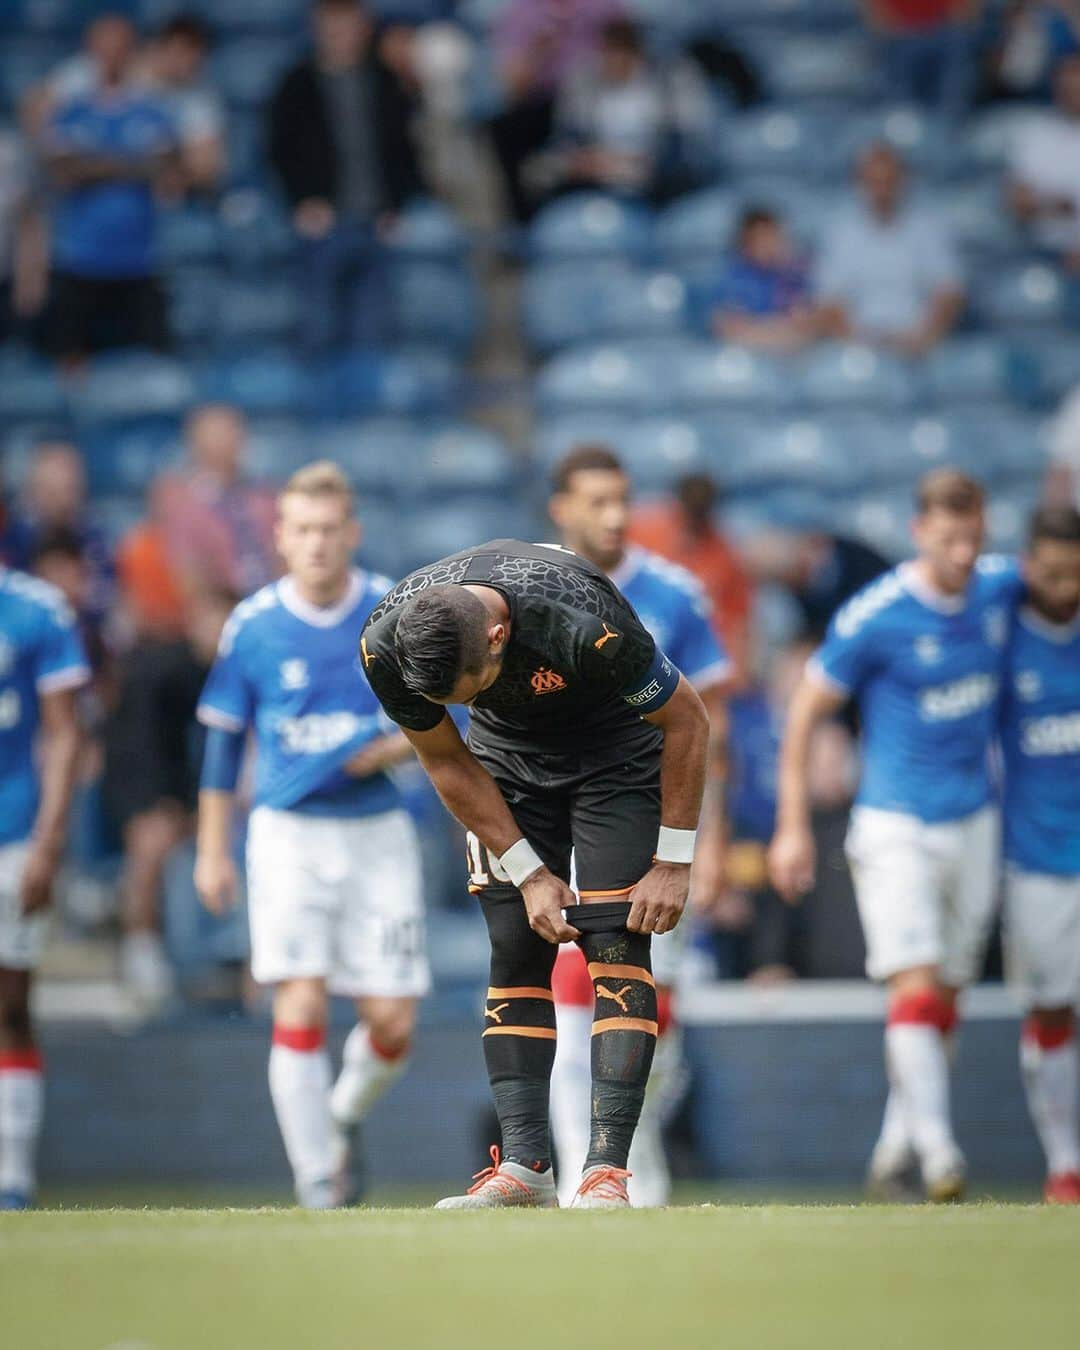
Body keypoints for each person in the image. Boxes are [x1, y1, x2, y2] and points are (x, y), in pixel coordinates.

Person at [358, 537, 710, 1210]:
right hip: (505, 765)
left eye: (474, 689)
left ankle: (606, 1174)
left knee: (617, 947)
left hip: (616, 757)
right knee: (515, 947)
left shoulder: (584, 619)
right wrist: (528, 873)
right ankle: (524, 1170)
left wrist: (673, 861)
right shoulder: (384, 647)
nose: (467, 700)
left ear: (499, 636)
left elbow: (688, 721)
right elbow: (445, 760)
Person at [769, 470, 1022, 1202]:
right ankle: (941, 1155)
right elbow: (804, 712)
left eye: (974, 539)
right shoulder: (875, 616)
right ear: (919, 534)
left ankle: (894, 1147)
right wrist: (792, 826)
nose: (963, 555)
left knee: (944, 995)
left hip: (974, 817)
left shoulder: (1000, 589)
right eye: (949, 541)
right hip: (895, 823)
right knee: (912, 984)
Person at [194, 463, 428, 1210]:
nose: (318, 544)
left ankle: (338, 1116)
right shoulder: (255, 625)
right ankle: (319, 1182)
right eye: (303, 530)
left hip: (376, 832)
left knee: (392, 1022)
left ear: (351, 533)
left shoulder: (393, 614)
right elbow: (224, 741)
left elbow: (441, 714)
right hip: (288, 835)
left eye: (330, 530)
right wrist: (210, 849)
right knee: (298, 1001)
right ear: (281, 537)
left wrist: (389, 745)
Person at [545, 445, 731, 1207]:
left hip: (659, 831)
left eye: (621, 498)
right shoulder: (531, 590)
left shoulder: (677, 596)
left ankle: (633, 1165)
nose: (614, 514)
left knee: (656, 1006)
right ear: (562, 507)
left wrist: (705, 845)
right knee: (570, 990)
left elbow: (710, 730)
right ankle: (576, 1183)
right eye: (595, 499)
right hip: (563, 821)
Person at [0, 565, 89, 1209]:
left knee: (10, 1003)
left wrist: (48, 841)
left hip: (13, 832)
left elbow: (63, 732)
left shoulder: (37, 609)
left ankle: (13, 1180)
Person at [999, 504, 1080, 1204]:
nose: (1063, 587)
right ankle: (1065, 1165)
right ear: (1029, 568)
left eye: (1073, 574)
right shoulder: (1003, 637)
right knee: (1052, 1011)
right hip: (1038, 862)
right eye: (1050, 574)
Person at [267, 0, 423, 352]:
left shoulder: (386, 83)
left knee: (374, 334)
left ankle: (367, 404)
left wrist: (395, 205)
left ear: (364, 28)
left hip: (377, 223)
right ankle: (319, 405)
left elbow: (406, 151)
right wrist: (303, 202)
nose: (340, 35)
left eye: (348, 25)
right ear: (316, 28)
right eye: (332, 26)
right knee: (319, 331)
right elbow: (280, 151)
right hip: (323, 226)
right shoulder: (297, 84)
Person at [41, 14, 177, 361]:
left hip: (140, 260)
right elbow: (63, 170)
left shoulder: (152, 109)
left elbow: (162, 165)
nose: (112, 54)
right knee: (68, 360)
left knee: (158, 363)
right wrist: (129, 163)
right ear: (90, 50)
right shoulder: (71, 111)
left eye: (120, 46)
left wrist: (94, 162)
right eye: (104, 46)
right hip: (81, 258)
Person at [537, 18, 714, 201]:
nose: (613, 61)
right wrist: (592, 163)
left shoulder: (668, 81)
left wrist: (634, 166)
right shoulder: (584, 83)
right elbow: (568, 139)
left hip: (654, 179)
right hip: (596, 174)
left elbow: (680, 149)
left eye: (621, 52)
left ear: (636, 53)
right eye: (608, 53)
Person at [815, 142, 965, 355]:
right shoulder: (841, 233)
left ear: (903, 181)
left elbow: (949, 294)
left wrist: (924, 338)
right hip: (858, 345)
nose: (882, 190)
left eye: (889, 181)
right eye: (874, 182)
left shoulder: (930, 228)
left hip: (920, 345)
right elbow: (829, 301)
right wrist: (856, 343)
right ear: (860, 183)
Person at [489, 0, 624, 222]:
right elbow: (513, 87)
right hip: (543, 107)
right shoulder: (521, 13)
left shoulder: (605, 7)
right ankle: (525, 226)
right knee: (506, 132)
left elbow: (629, 61)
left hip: (600, 103)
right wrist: (538, 52)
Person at [629, 474, 753, 690]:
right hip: (645, 640)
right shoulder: (643, 533)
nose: (694, 521)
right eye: (690, 512)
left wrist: (733, 676)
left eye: (701, 514)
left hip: (695, 658)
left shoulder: (725, 554)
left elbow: (737, 620)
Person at [155, 405, 279, 604]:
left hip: (269, 596)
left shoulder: (264, 494)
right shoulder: (179, 498)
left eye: (229, 431)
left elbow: (282, 551)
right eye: (213, 434)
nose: (222, 441)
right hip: (217, 602)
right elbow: (186, 570)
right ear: (194, 441)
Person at [4, 443, 115, 643]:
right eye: (52, 491)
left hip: (84, 636)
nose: (62, 500)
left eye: (69, 489)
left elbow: (103, 596)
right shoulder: (14, 536)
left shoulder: (93, 536)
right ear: (34, 489)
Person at [704, 207, 815, 352]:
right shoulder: (734, 279)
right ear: (745, 245)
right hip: (752, 343)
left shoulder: (793, 273)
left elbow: (805, 313)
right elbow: (726, 325)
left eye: (773, 238)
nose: (770, 246)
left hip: (781, 338)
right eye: (762, 240)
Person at [1008, 53, 1080, 270]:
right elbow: (1019, 203)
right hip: (1038, 249)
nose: (1073, 95)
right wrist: (1057, 205)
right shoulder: (1035, 133)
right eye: (1067, 88)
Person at [141, 15, 225, 195]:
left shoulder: (200, 100)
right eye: (181, 51)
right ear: (158, 49)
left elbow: (206, 167)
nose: (188, 61)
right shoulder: (123, 85)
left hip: (173, 194)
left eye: (195, 54)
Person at [862, 0, 980, 118]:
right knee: (901, 105)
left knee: (952, 97)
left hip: (945, 32)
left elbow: (967, 13)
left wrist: (963, 20)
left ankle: (950, 123)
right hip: (901, 36)